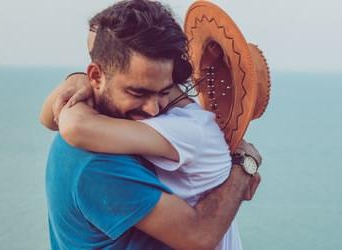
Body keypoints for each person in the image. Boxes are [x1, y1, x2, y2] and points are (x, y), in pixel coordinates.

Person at [40, 1, 261, 249]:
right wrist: (242, 168)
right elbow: (197, 236)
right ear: (96, 76)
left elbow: (52, 118)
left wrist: (76, 82)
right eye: (137, 92)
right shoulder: (98, 162)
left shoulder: (140, 131)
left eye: (164, 91)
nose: (153, 109)